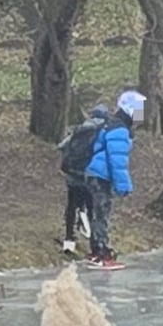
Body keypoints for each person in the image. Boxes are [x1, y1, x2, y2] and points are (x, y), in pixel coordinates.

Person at [84, 90, 146, 270]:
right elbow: (117, 160)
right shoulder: (119, 128)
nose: (141, 115)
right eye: (139, 110)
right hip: (100, 175)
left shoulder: (112, 125)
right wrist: (123, 184)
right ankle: (101, 254)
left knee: (98, 213)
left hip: (95, 173)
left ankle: (97, 251)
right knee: (101, 214)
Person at [57, 104, 107, 255]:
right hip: (90, 176)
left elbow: (61, 146)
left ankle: (69, 241)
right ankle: (95, 246)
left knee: (72, 206)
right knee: (92, 208)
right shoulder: (102, 132)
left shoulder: (80, 130)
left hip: (72, 175)